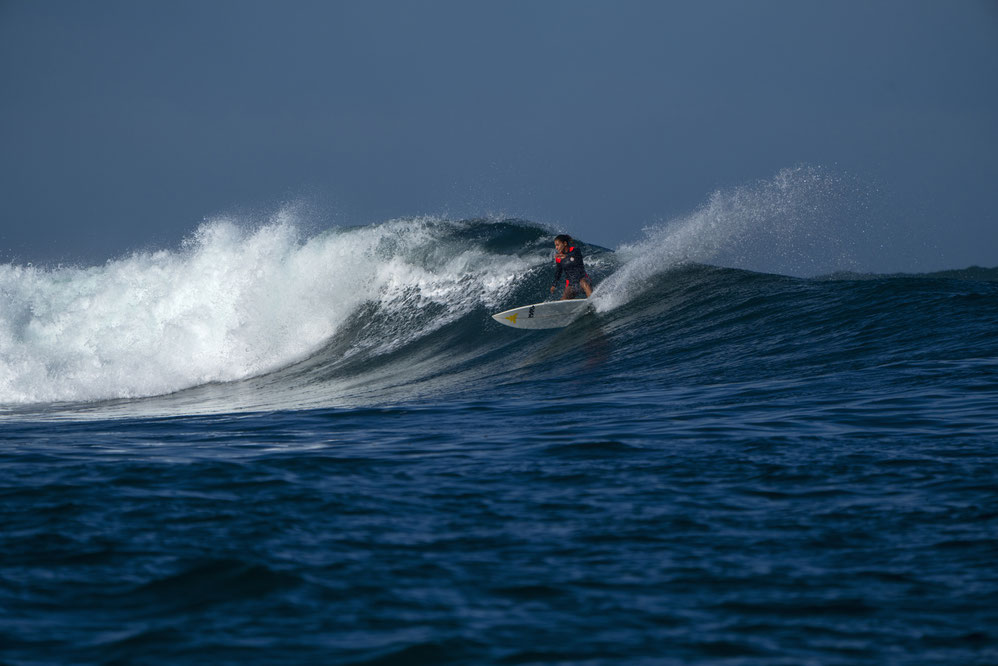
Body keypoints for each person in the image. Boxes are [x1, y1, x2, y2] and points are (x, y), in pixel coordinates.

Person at [550, 234, 593, 300]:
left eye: (558, 245)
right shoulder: (558, 258)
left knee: (584, 282)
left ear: (565, 243)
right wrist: (554, 284)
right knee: (563, 299)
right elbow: (558, 272)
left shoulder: (576, 250)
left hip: (583, 279)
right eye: (555, 245)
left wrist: (566, 256)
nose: (556, 247)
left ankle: (592, 301)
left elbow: (573, 255)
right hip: (571, 284)